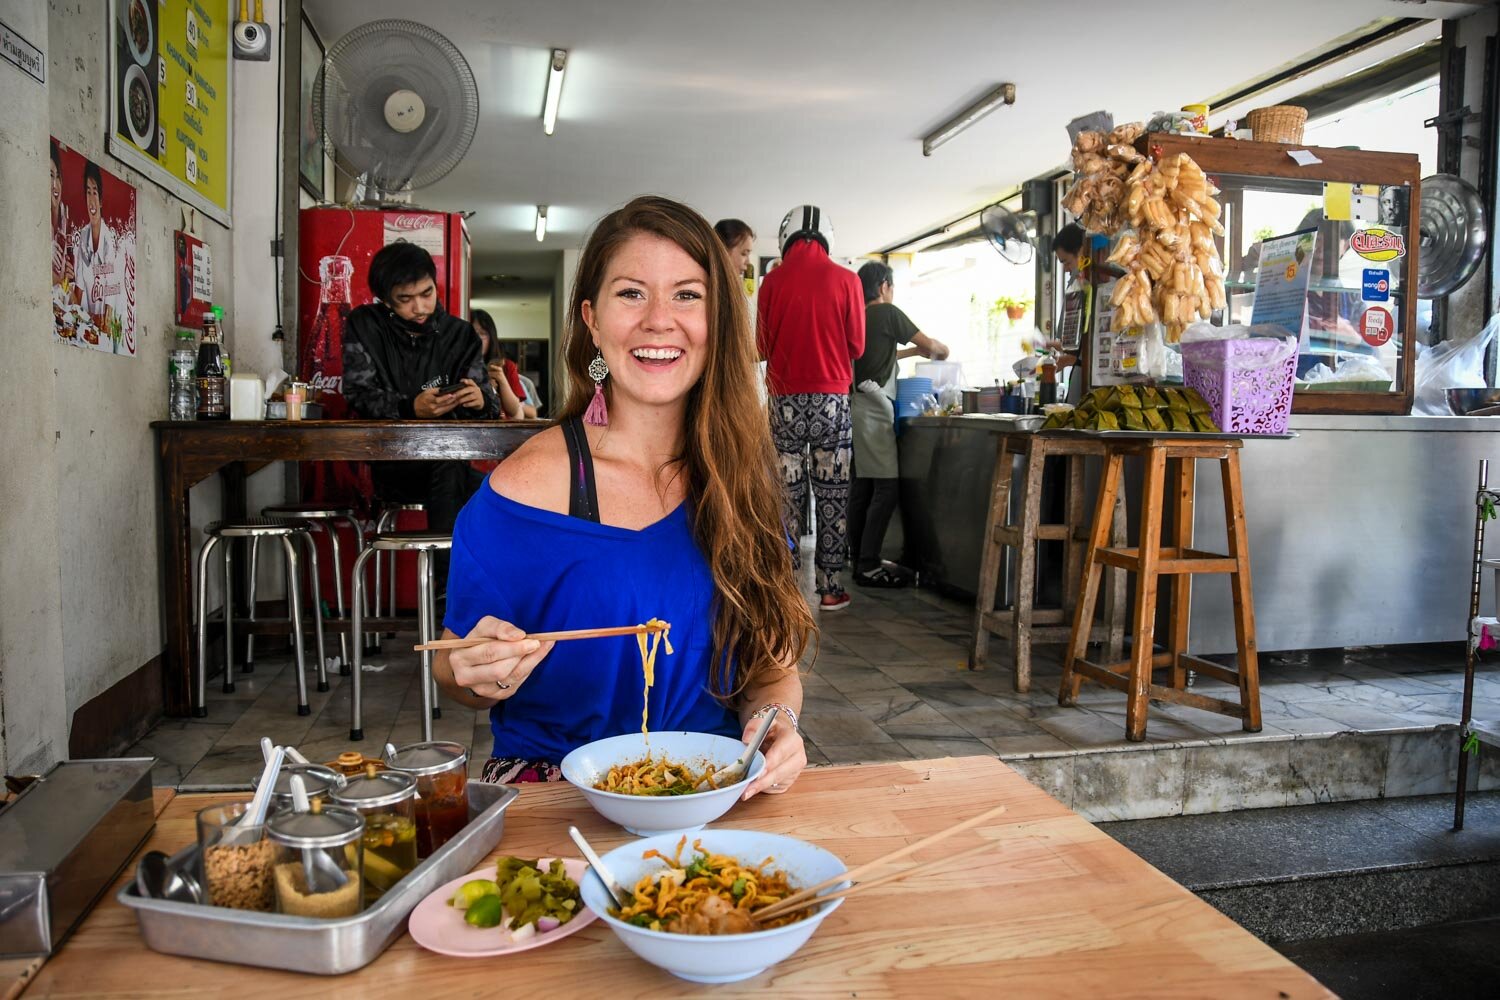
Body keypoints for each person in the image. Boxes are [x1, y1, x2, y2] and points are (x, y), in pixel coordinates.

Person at [433, 195, 812, 796]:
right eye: (632, 293)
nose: (660, 319)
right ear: (592, 319)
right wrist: (479, 673)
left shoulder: (744, 480)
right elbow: (451, 668)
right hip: (556, 798)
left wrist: (776, 724)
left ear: (719, 320)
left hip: (710, 789)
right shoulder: (526, 490)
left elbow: (771, 671)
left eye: (688, 294)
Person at [342, 242, 500, 558]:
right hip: (393, 465)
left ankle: (460, 589)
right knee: (486, 490)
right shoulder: (365, 324)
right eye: (405, 299)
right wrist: (410, 407)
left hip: (452, 463)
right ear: (385, 299)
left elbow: (492, 409)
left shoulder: (460, 334)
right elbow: (358, 394)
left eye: (427, 294)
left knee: (508, 491)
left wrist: (480, 400)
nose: (420, 308)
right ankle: (447, 590)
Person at [757, 205, 865, 611]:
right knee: (833, 495)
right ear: (827, 238)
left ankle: (784, 587)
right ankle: (830, 587)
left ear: (786, 237)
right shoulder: (848, 280)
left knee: (785, 495)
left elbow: (761, 348)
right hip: (831, 403)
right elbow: (857, 346)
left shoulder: (771, 283)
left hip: (783, 402)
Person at [847, 262, 948, 588]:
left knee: (862, 487)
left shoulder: (856, 317)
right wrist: (939, 349)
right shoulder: (888, 313)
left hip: (856, 405)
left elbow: (877, 357)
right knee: (886, 488)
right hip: (875, 408)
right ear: (885, 286)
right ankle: (868, 563)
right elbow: (932, 346)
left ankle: (855, 555)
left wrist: (908, 352)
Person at [70, 160, 120, 327]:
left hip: (109, 330)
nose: (91, 200)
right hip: (90, 326)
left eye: (95, 193)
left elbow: (111, 299)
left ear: (101, 200)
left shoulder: (110, 241)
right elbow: (78, 292)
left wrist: (101, 322)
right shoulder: (84, 236)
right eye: (88, 192)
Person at [469, 308, 528, 419]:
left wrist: (501, 380)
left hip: (500, 430)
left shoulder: (506, 366)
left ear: (491, 338)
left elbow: (514, 410)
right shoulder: (458, 365)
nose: (477, 339)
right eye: (472, 333)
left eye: (483, 334)